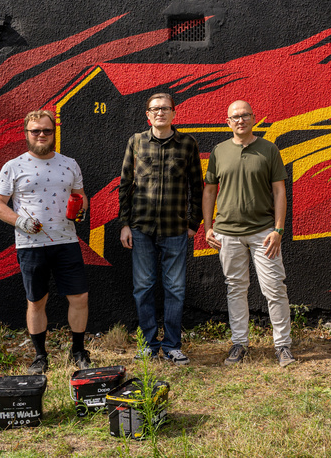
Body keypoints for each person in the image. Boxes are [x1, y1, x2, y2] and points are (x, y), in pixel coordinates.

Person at [0, 110, 91, 374]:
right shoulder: (13, 166)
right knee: (36, 301)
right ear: (26, 134)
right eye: (35, 131)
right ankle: (40, 356)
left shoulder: (70, 163)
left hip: (67, 241)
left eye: (47, 130)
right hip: (30, 245)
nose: (41, 135)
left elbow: (81, 195)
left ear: (54, 133)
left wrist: (82, 210)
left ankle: (79, 351)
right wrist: (19, 221)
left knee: (80, 297)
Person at [202, 100, 296, 367]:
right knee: (235, 289)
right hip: (227, 233)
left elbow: (279, 191)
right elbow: (209, 190)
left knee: (275, 289)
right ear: (227, 122)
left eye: (245, 115)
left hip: (263, 233)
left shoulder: (269, 150)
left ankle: (283, 346)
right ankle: (239, 344)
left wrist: (278, 230)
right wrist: (208, 226)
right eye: (235, 117)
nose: (240, 120)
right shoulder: (219, 151)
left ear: (254, 119)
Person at [119, 93, 204, 365]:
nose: (160, 113)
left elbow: (197, 187)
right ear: (148, 115)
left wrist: (193, 223)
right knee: (143, 287)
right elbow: (125, 185)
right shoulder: (136, 142)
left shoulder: (187, 144)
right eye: (155, 109)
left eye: (165, 108)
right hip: (141, 228)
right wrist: (124, 224)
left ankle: (171, 346)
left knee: (175, 289)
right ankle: (147, 344)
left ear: (174, 114)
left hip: (175, 228)